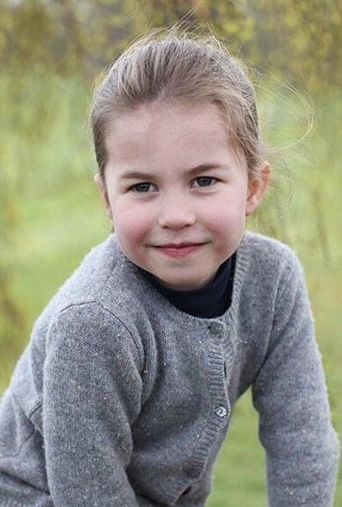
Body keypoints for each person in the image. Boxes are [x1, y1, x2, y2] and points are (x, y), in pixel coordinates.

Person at [0, 29, 339, 507]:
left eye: (203, 180)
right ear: (107, 199)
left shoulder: (274, 281)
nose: (175, 215)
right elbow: (90, 494)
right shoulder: (95, 321)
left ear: (253, 187)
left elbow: (302, 440)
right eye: (142, 187)